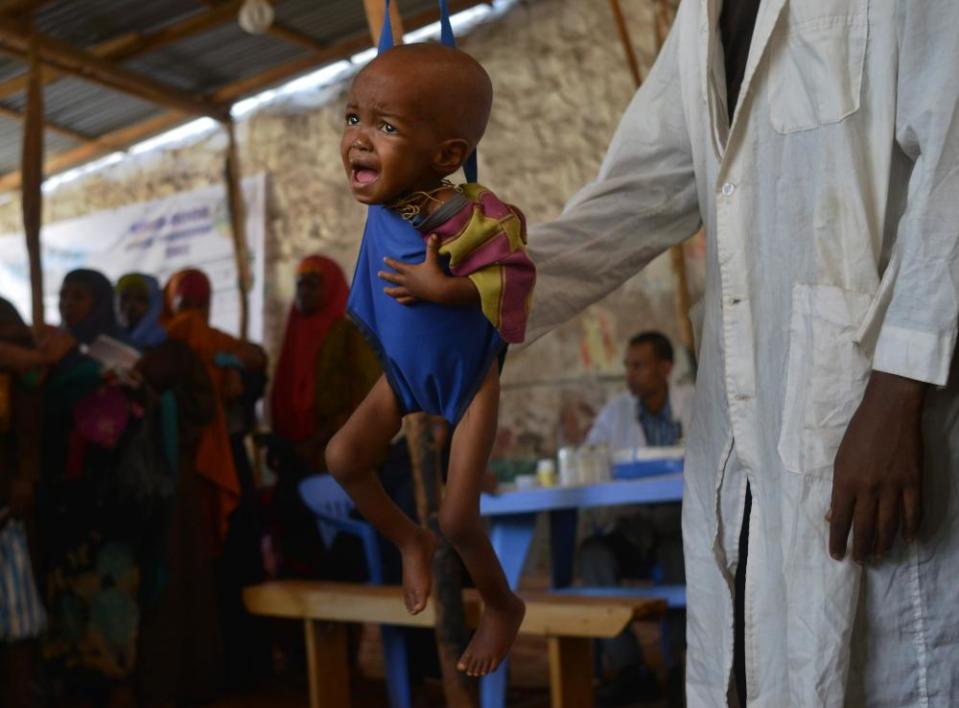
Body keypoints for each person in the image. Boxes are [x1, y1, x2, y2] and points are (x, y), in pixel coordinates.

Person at [522, 0, 959, 704]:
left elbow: (953, 162)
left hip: (875, 410)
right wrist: (493, 286)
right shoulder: (700, 13)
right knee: (763, 660)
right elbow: (640, 188)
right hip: (747, 432)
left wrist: (897, 385)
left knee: (890, 665)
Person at [324, 43, 535, 677]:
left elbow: (515, 272)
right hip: (403, 371)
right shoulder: (392, 207)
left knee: (460, 514)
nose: (359, 140)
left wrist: (442, 288)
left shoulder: (461, 212)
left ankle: (501, 604)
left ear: (446, 155)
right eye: (353, 118)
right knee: (344, 458)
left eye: (385, 127)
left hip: (470, 379)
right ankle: (407, 539)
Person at [39, 269, 148, 705]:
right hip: (65, 506)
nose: (67, 304)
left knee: (110, 613)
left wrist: (77, 370)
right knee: (68, 612)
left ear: (99, 302)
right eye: (63, 295)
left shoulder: (121, 355)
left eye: (78, 296)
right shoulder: (53, 355)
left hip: (111, 507)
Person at [579, 332, 692, 705]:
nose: (631, 374)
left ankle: (678, 668)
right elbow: (589, 457)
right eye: (628, 365)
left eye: (639, 365)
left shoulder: (691, 404)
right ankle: (630, 668)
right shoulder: (616, 412)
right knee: (593, 556)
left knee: (682, 562)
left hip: (675, 525)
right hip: (630, 526)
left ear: (665, 368)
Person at [267, 255, 380, 578]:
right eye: (300, 284)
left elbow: (365, 401)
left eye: (313, 284)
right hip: (295, 462)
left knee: (334, 559)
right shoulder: (294, 333)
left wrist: (317, 441)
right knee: (296, 551)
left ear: (331, 287)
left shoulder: (350, 335)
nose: (304, 292)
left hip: (338, 462)